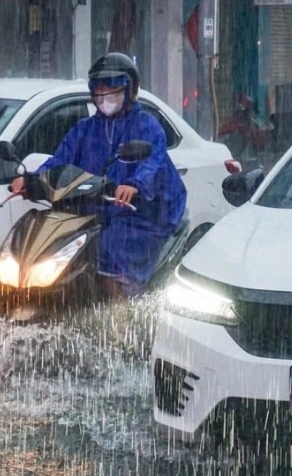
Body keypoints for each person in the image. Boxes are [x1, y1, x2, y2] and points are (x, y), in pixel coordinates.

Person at [10, 52, 188, 297]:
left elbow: (153, 161)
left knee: (108, 249)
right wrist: (30, 180)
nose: (105, 96)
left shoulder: (146, 125)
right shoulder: (84, 129)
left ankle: (120, 317)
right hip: (95, 209)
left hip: (145, 211)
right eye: (100, 89)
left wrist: (134, 184)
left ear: (129, 90)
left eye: (112, 90)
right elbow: (59, 160)